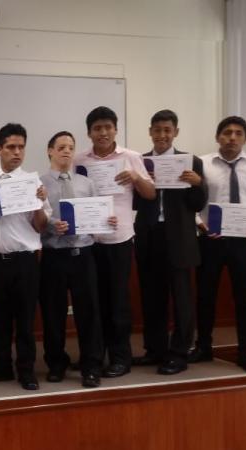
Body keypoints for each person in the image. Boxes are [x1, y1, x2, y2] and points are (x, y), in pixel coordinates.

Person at [191, 116, 246, 374]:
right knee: (205, 295)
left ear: (245, 138)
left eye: (238, 133)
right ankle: (203, 347)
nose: (232, 137)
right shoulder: (203, 164)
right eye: (227, 132)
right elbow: (191, 200)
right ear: (217, 137)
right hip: (210, 241)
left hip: (244, 242)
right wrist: (200, 223)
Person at [74, 106, 155, 378]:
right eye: (97, 128)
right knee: (92, 303)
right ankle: (93, 358)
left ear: (116, 130)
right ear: (89, 133)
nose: (103, 132)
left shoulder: (131, 157)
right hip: (89, 240)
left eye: (108, 127)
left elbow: (150, 193)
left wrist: (136, 177)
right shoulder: (79, 160)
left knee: (118, 301)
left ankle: (121, 358)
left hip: (119, 239)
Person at [132, 110, 207, 375]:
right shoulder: (140, 162)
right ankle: (155, 350)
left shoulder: (192, 161)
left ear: (176, 132)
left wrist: (197, 183)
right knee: (152, 296)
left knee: (182, 298)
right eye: (157, 130)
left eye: (167, 130)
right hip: (149, 235)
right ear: (150, 132)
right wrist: (141, 183)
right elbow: (134, 202)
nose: (162, 135)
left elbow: (198, 204)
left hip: (179, 238)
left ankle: (179, 353)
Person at [0, 124, 49, 391]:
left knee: (26, 319)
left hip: (26, 260)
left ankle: (26, 370)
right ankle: (2, 366)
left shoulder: (33, 182)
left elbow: (41, 226)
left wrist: (39, 203)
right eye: (11, 147)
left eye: (21, 147)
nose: (17, 152)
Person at [38, 131, 112, 388]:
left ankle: (91, 366)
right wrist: (51, 226)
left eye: (70, 147)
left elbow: (97, 216)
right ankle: (56, 364)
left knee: (88, 313)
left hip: (84, 255)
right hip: (53, 255)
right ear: (50, 151)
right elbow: (34, 219)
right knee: (53, 313)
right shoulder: (38, 184)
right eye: (61, 147)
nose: (66, 151)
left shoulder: (86, 184)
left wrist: (107, 220)